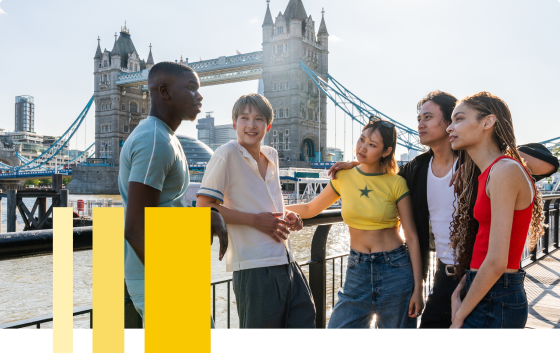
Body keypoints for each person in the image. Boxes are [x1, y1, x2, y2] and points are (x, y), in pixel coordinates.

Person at [329, 91, 558, 329]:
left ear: (449, 122)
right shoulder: (416, 169)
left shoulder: (478, 164)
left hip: (482, 276)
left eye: (428, 117)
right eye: (419, 118)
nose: (420, 124)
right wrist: (359, 163)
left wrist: (481, 153)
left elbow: (547, 163)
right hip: (443, 276)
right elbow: (384, 185)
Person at [288, 119, 424, 329]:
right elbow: (310, 209)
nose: (363, 147)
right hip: (357, 268)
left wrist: (418, 288)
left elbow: (412, 237)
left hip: (395, 269)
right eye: (362, 139)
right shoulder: (343, 176)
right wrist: (269, 209)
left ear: (386, 151)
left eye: (372, 144)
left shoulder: (396, 183)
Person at [118, 61, 228, 320]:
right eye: (191, 88)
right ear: (164, 91)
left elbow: (162, 209)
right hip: (161, 279)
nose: (199, 96)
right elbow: (136, 227)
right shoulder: (153, 140)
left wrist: (203, 216)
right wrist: (174, 284)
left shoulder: (164, 137)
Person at [196, 93, 315, 329]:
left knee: (306, 321)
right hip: (254, 266)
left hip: (287, 260)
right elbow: (203, 207)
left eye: (259, 119)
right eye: (244, 118)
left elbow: (266, 203)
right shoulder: (226, 154)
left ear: (268, 125)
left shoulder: (271, 155)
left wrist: (288, 215)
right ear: (234, 123)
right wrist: (255, 221)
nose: (251, 125)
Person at [447, 91, 544, 329]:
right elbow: (485, 243)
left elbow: (497, 261)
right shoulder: (491, 171)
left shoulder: (504, 171)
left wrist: (458, 317)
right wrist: (461, 287)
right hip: (485, 288)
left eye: (458, 119)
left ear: (487, 122)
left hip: (495, 297)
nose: (449, 128)